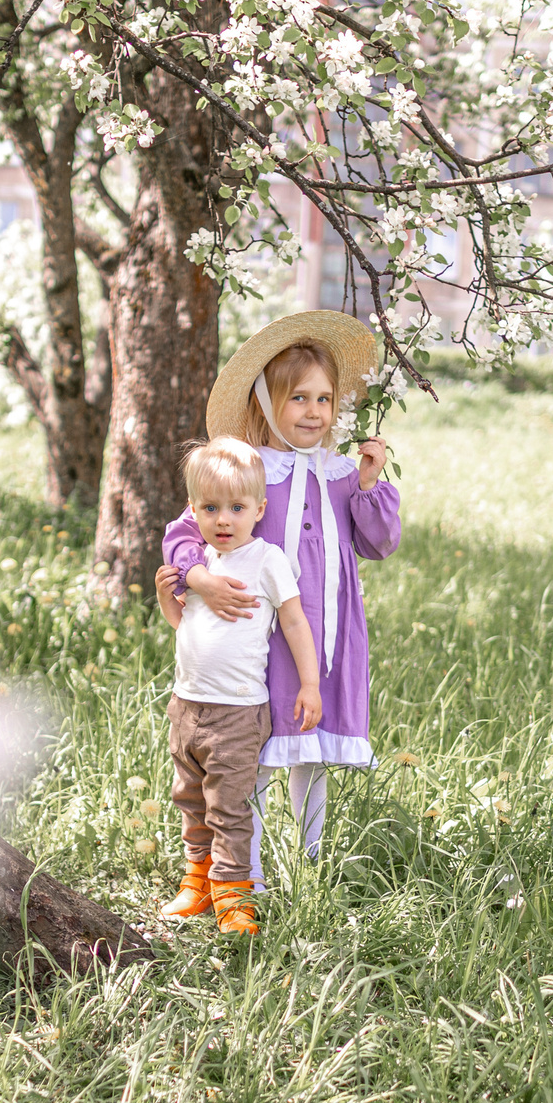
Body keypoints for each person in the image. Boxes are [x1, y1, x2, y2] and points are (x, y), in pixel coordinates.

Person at [157, 312, 399, 898]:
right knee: (255, 753)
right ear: (267, 403)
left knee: (310, 751)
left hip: (327, 632)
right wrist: (199, 577)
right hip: (259, 640)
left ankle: (310, 862)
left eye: (324, 399)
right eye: (298, 398)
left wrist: (370, 484)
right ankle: (247, 872)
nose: (313, 412)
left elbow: (379, 544)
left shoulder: (344, 475)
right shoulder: (249, 470)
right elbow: (184, 531)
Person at [155, 437, 322, 936]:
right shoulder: (198, 565)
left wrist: (309, 684)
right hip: (186, 705)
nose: (223, 520)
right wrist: (167, 600)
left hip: (237, 712)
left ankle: (234, 895)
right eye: (210, 508)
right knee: (190, 799)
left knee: (229, 807)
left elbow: (294, 622)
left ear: (258, 510)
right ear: (193, 510)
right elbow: (185, 627)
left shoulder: (266, 560)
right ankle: (198, 881)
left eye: (236, 508)